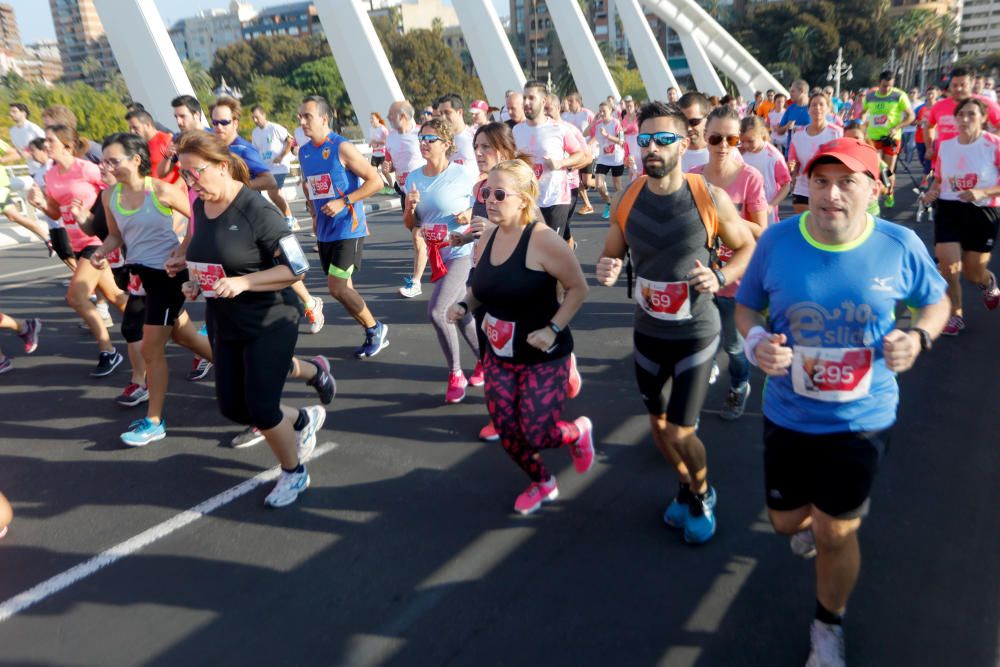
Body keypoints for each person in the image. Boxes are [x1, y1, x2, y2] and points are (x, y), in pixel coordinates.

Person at [734, 137, 950, 667]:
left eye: (847, 181)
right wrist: (756, 344)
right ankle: (819, 522)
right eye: (821, 181)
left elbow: (937, 301)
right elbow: (746, 309)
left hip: (862, 417)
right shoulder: (778, 242)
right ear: (806, 185)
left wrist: (918, 337)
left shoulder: (898, 245)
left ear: (874, 189)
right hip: (788, 411)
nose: (831, 194)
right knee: (787, 523)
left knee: (835, 531)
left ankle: (827, 627)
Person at [596, 101, 755, 544]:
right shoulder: (628, 197)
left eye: (663, 139)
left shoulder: (709, 196)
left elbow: (746, 248)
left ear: (685, 144)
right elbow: (612, 252)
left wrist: (721, 275)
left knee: (683, 430)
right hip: (647, 332)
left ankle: (703, 493)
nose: (652, 147)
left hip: (695, 333)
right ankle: (685, 485)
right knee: (658, 426)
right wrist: (606, 267)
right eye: (644, 139)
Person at [169, 130, 334, 507]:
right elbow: (211, 260)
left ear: (222, 167)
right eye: (184, 175)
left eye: (196, 173)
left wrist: (244, 282)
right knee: (233, 407)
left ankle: (294, 473)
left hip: (270, 319)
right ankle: (303, 418)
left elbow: (296, 267)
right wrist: (193, 282)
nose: (190, 182)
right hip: (225, 320)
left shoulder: (257, 210)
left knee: (261, 408)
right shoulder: (199, 206)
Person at [447, 158, 593, 515]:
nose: (490, 200)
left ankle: (577, 432)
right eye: (486, 192)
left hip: (543, 355)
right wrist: (464, 306)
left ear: (524, 199)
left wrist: (553, 329)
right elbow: (481, 288)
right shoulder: (490, 234)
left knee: (538, 432)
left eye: (499, 194)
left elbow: (578, 289)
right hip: (500, 354)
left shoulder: (544, 241)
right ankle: (543, 481)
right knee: (509, 432)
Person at [89, 133, 214, 446]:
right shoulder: (109, 197)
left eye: (114, 161)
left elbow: (201, 219)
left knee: (150, 348)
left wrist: (183, 249)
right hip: (139, 276)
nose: (109, 167)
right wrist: (101, 251)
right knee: (183, 335)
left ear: (135, 159)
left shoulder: (160, 189)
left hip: (168, 274)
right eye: (105, 161)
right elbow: (116, 236)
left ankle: (154, 421)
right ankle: (233, 367)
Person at [214, 98, 324, 335]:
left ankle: (307, 303)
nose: (218, 127)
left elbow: (268, 180)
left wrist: (236, 187)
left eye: (223, 122)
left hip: (252, 218)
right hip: (223, 217)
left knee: (278, 265)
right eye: (214, 122)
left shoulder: (243, 149)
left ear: (234, 122)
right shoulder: (213, 150)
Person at [689, 106, 769, 421]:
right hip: (698, 275)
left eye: (732, 138)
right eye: (716, 138)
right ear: (704, 137)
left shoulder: (750, 177)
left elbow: (762, 231)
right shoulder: (693, 177)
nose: (723, 145)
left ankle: (739, 386)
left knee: (735, 348)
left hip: (736, 278)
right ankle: (691, 401)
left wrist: (728, 215)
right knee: (698, 343)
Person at [29, 125, 127, 377]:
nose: (45, 144)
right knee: (116, 297)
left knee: (75, 297)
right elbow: (55, 212)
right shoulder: (50, 175)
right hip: (78, 243)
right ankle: (160, 328)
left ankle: (108, 351)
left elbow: (115, 188)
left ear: (67, 145)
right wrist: (41, 203)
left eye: (51, 140)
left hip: (97, 240)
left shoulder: (87, 169)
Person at [297, 95, 389, 358]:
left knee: (336, 287)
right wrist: (314, 214)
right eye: (300, 117)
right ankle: (371, 329)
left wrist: (344, 201)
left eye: (308, 116)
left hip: (349, 227)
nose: (302, 122)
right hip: (325, 230)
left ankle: (375, 328)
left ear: (324, 119)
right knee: (343, 287)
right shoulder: (303, 152)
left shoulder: (341, 147)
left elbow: (376, 181)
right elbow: (311, 186)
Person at [403, 117, 482, 402]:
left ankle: (456, 374)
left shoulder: (463, 175)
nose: (424, 143)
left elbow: (484, 207)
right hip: (438, 256)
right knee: (462, 314)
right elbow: (410, 224)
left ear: (446, 144)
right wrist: (410, 208)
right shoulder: (413, 177)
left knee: (438, 311)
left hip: (462, 252)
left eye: (430, 139)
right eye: (421, 139)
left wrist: (470, 214)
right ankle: (487, 362)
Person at [922, 98, 1000, 336]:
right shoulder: (945, 146)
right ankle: (956, 315)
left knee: (973, 272)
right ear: (955, 118)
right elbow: (939, 178)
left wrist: (983, 192)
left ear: (984, 118)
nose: (965, 119)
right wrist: (932, 192)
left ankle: (988, 283)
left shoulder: (994, 145)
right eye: (961, 115)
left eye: (972, 115)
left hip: (982, 210)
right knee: (948, 266)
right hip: (948, 209)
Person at [512, 80, 588, 241]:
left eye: (531, 98)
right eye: (524, 98)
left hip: (555, 199)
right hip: (528, 200)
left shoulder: (559, 129)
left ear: (543, 101)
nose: (526, 103)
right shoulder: (517, 130)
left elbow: (580, 154)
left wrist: (561, 163)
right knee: (529, 247)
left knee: (550, 247)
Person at [385, 100, 428, 298]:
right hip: (405, 192)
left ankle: (416, 281)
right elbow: (394, 163)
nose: (387, 119)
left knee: (418, 237)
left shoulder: (421, 134)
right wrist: (389, 169)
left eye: (390, 115)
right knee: (419, 236)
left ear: (403, 116)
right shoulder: (391, 138)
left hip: (424, 191)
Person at [862, 71, 915, 208]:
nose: (887, 89)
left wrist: (897, 128)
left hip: (892, 138)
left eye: (890, 86)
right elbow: (862, 113)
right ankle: (875, 196)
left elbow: (911, 116)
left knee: (888, 170)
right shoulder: (870, 96)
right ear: (879, 83)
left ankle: (889, 192)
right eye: (885, 86)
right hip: (873, 138)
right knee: (875, 167)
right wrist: (861, 125)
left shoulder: (899, 95)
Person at [926, 68, 1000, 166]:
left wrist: (988, 141)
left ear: (972, 83)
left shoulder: (985, 104)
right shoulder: (939, 106)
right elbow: (929, 126)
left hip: (977, 163)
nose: (958, 89)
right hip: (945, 163)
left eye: (963, 85)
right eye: (954, 85)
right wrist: (929, 147)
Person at [789, 93, 843, 213]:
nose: (817, 108)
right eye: (813, 105)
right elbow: (794, 161)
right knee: (804, 225)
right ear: (808, 110)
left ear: (829, 109)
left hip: (828, 188)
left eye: (821, 104)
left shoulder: (837, 133)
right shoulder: (798, 135)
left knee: (824, 228)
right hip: (803, 187)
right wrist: (792, 168)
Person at [249, 104, 298, 230]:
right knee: (266, 192)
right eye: (253, 118)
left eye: (257, 117)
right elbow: (255, 150)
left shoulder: (275, 128)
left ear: (263, 115)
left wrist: (281, 156)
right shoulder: (255, 133)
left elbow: (290, 140)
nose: (255, 120)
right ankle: (284, 219)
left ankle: (289, 218)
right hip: (266, 168)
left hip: (280, 167)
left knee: (273, 192)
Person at [740, 115, 792, 226]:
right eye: (742, 141)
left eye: (750, 141)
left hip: (765, 212)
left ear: (762, 136)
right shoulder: (740, 152)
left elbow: (786, 185)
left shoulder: (774, 156)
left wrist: (771, 205)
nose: (745, 145)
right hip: (744, 210)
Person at [591, 101, 626, 220]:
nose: (601, 113)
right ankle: (609, 204)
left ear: (610, 111)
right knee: (599, 184)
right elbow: (585, 133)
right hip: (603, 159)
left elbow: (621, 141)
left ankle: (623, 206)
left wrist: (607, 136)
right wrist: (594, 121)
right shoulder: (598, 124)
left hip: (616, 158)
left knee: (617, 186)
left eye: (604, 111)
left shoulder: (616, 123)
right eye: (600, 111)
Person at [563, 92, 596, 214]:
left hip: (588, 153)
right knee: (576, 179)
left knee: (586, 181)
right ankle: (588, 205)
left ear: (578, 101)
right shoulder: (565, 116)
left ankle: (600, 183)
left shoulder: (587, 114)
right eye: (568, 101)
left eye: (571, 101)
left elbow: (596, 132)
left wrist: (588, 145)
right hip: (574, 154)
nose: (569, 103)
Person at [436, 93, 479, 178]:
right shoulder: (439, 141)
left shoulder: (475, 136)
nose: (443, 118)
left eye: (447, 112)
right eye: (441, 113)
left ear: (460, 112)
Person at [678, 92, 711, 172]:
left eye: (694, 122)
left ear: (707, 119)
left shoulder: (724, 151)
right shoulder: (672, 154)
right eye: (684, 122)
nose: (688, 128)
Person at [776, 80, 811, 153]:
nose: (790, 94)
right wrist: (786, 126)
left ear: (801, 90)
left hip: (810, 153)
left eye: (792, 91)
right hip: (791, 154)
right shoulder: (790, 108)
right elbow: (779, 131)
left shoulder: (814, 107)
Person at [914, 86, 939, 181]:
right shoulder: (920, 108)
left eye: (933, 93)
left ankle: (925, 179)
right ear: (926, 95)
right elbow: (912, 121)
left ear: (937, 95)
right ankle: (931, 170)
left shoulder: (939, 107)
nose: (931, 96)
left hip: (934, 139)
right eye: (929, 94)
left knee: (929, 159)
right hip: (920, 138)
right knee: (922, 158)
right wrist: (921, 122)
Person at [367, 111, 390, 190]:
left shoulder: (382, 129)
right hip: (375, 154)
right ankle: (384, 184)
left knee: (384, 171)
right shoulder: (371, 129)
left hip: (383, 153)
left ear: (378, 119)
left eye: (372, 118)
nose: (371, 120)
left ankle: (392, 186)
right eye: (370, 119)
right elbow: (371, 139)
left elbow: (387, 141)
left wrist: (377, 142)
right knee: (373, 172)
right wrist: (370, 144)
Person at [622, 95, 641, 180]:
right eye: (627, 106)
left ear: (634, 106)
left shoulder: (638, 117)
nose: (629, 108)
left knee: (638, 170)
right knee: (632, 171)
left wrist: (627, 129)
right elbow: (621, 134)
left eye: (631, 106)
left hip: (638, 144)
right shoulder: (624, 118)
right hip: (629, 145)